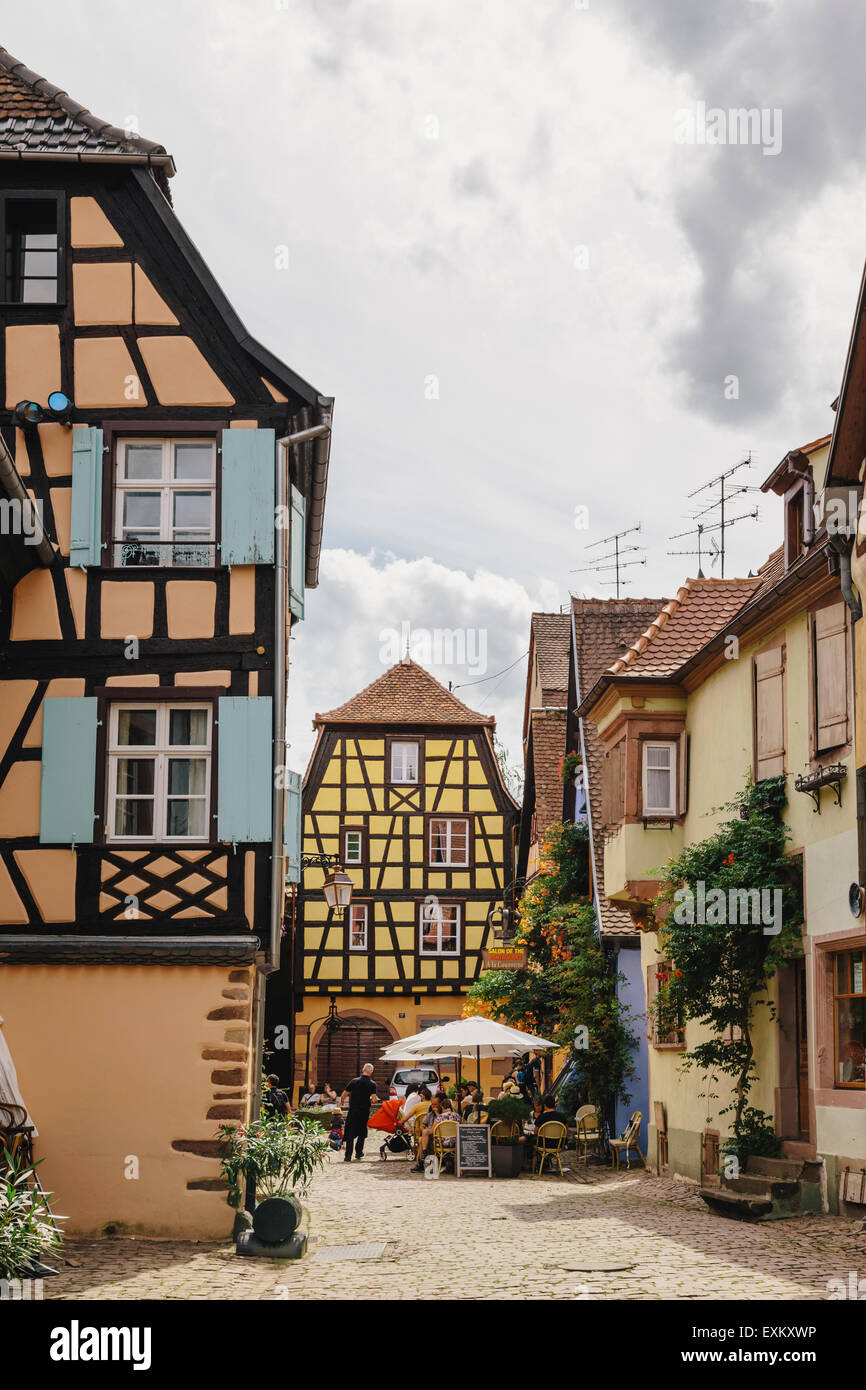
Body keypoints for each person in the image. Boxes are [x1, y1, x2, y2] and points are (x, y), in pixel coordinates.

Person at [340, 1063, 380, 1162]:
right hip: (364, 1111)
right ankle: (358, 1153)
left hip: (353, 1111)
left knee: (350, 1133)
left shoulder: (354, 1081)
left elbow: (344, 1094)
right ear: (371, 1072)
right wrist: (374, 1100)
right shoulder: (372, 1084)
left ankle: (348, 1156)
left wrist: (342, 1102)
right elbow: (374, 1099)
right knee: (362, 1132)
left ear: (363, 1070)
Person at [410, 1094, 447, 1170]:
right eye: (432, 1104)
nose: (433, 1106)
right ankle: (422, 1161)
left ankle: (422, 1160)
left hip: (440, 1137)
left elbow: (442, 1123)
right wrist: (423, 1129)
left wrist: (437, 1114)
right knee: (421, 1139)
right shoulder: (430, 1114)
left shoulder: (444, 1114)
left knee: (421, 1140)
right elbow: (423, 1125)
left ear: (440, 1104)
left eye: (435, 1104)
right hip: (429, 1137)